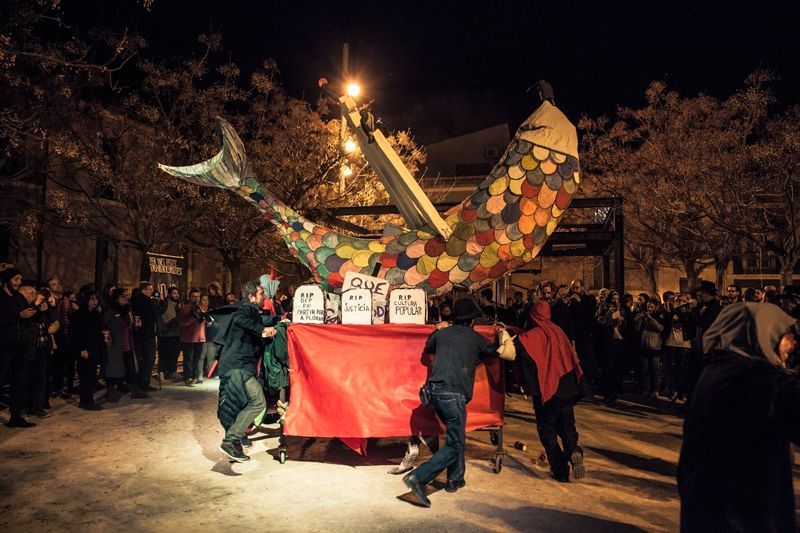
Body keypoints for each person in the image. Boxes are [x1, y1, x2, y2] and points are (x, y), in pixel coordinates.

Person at [678, 303, 800, 532]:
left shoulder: (715, 370)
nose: (793, 344)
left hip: (705, 505)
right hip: (744, 512)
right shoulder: (759, 378)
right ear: (764, 331)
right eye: (786, 335)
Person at [402, 298, 499, 507]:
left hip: (434, 393)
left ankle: (456, 479)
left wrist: (438, 329)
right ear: (472, 321)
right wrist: (501, 334)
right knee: (455, 444)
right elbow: (493, 352)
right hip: (454, 395)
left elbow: (428, 348)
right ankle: (418, 478)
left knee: (456, 437)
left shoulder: (442, 333)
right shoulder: (474, 337)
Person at [516, 301, 585, 482]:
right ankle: (573, 450)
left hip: (547, 392)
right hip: (567, 388)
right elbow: (571, 356)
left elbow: (527, 365)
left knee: (548, 431)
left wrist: (527, 388)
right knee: (567, 426)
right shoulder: (558, 332)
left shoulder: (530, 338)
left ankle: (560, 470)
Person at [217, 281, 278, 462]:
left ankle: (235, 444)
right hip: (238, 366)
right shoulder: (247, 308)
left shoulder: (252, 311)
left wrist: (276, 321)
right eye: (261, 294)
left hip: (235, 365)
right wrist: (263, 329)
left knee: (237, 405)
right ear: (251, 296)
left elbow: (259, 322)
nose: (264, 297)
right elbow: (241, 319)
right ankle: (230, 441)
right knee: (258, 403)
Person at [103, 288, 148, 401]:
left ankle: (135, 391)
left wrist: (135, 327)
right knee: (113, 369)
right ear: (117, 298)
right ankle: (111, 392)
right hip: (114, 346)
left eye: (127, 296)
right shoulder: (111, 310)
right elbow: (104, 326)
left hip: (127, 344)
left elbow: (129, 326)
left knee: (131, 369)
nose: (126, 298)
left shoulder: (128, 310)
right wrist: (107, 339)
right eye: (123, 296)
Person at [70, 288, 104, 410]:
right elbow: (78, 334)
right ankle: (86, 401)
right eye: (92, 299)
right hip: (85, 349)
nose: (95, 302)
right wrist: (82, 349)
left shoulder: (94, 313)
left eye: (96, 299)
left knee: (91, 374)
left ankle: (88, 400)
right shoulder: (80, 315)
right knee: (85, 376)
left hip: (94, 348)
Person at [130, 282, 159, 391]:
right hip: (147, 334)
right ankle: (144, 383)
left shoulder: (134, 301)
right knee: (148, 359)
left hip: (139, 335)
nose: (152, 291)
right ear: (144, 290)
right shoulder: (147, 302)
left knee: (141, 359)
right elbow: (154, 314)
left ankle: (139, 382)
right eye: (150, 289)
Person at [635, 300, 664, 397]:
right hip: (644, 346)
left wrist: (650, 318)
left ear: (656, 307)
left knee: (655, 370)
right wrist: (639, 319)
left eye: (651, 307)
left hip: (655, 347)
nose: (649, 309)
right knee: (645, 370)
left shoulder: (659, 317)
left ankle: (655, 390)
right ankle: (646, 389)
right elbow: (637, 329)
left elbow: (660, 328)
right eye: (648, 306)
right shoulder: (643, 318)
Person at [178, 287, 205, 386]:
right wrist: (192, 318)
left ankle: (193, 376)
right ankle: (188, 377)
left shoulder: (201, 307)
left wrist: (208, 322)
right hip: (188, 338)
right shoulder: (185, 308)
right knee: (188, 359)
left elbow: (203, 322)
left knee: (196, 359)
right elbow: (181, 323)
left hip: (200, 337)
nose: (196, 298)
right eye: (193, 296)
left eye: (197, 296)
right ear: (190, 297)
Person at [157, 286, 182, 380]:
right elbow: (160, 317)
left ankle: (172, 372)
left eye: (177, 293)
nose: (176, 295)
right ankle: (162, 372)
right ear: (169, 294)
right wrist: (164, 327)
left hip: (176, 333)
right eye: (174, 293)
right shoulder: (164, 303)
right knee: (164, 354)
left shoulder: (179, 304)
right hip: (166, 334)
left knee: (174, 354)